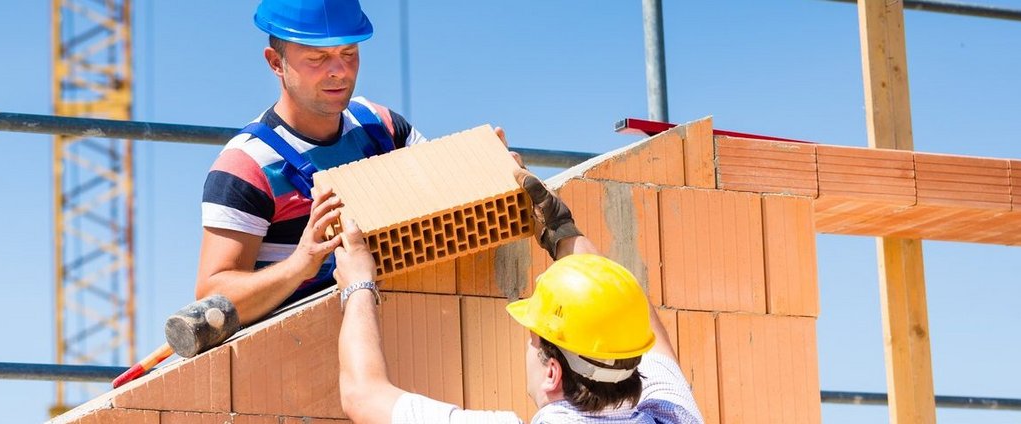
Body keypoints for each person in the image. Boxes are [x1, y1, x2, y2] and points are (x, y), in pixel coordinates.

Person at [332, 171, 704, 424]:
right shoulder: (672, 413)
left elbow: (363, 396)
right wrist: (560, 230)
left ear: (552, 372)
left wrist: (357, 283)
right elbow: (623, 302)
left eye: (532, 338)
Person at [196, 0, 433, 323]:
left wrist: (493, 172)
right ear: (276, 63)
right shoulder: (247, 167)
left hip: (404, 325)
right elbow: (213, 301)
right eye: (317, 58)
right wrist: (301, 263)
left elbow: (444, 191)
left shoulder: (382, 127)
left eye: (348, 53)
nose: (339, 71)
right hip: (300, 350)